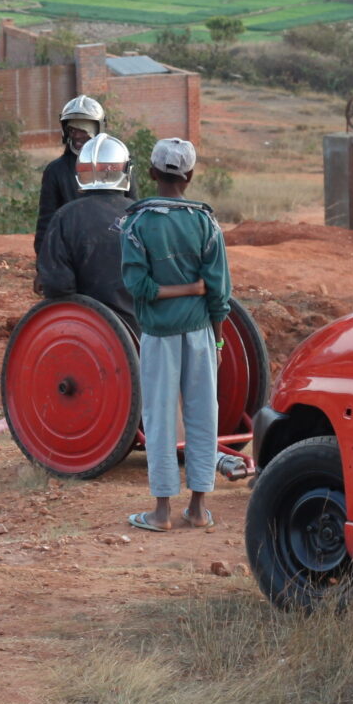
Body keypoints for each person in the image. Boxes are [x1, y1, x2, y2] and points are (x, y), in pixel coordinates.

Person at [118, 137, 231, 533]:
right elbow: (219, 291)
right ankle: (198, 509)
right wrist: (217, 340)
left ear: (151, 174)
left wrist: (173, 291)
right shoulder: (206, 223)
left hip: (159, 336)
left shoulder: (137, 223)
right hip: (201, 334)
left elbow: (137, 285)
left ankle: (162, 512)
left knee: (160, 417)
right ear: (191, 176)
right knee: (203, 415)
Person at [35, 133, 135, 319]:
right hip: (143, 334)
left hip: (87, 330)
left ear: (80, 172)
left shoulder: (65, 217)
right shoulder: (143, 216)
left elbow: (57, 285)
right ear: (126, 171)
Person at [34, 95, 106, 253]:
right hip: (70, 250)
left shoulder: (117, 165)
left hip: (109, 248)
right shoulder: (55, 171)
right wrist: (44, 263)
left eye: (84, 130)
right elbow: (46, 220)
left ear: (98, 130)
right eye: (72, 129)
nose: (77, 136)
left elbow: (130, 210)